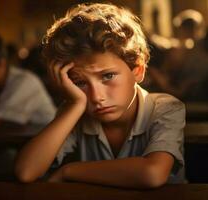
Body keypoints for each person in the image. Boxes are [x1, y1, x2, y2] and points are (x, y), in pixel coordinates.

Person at [15, 3, 185, 188]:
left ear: (137, 69)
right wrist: (75, 105)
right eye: (80, 82)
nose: (96, 97)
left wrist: (69, 171)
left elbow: (153, 174)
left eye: (107, 76)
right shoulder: (76, 109)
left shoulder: (166, 108)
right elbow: (26, 172)